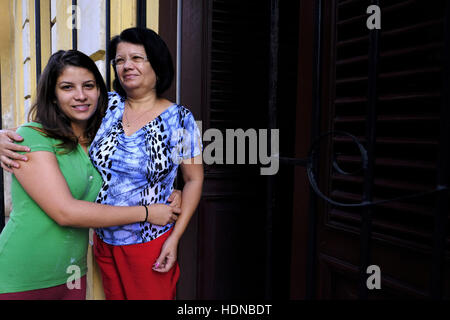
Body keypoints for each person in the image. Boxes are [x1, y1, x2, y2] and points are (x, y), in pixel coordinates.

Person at [0, 28, 204, 300]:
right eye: (119, 60)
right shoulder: (107, 106)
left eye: (137, 58)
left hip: (149, 240)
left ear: (157, 62)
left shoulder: (180, 120)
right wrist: (2, 136)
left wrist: (175, 238)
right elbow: (51, 128)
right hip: (102, 242)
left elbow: (193, 179)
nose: (126, 66)